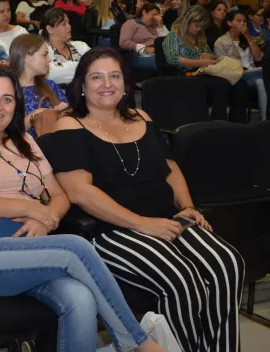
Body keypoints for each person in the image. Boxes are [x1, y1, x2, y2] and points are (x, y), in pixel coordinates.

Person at [0, 65, 163, 352]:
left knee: (80, 298)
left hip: (29, 244)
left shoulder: (25, 142)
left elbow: (59, 194)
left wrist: (47, 220)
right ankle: (137, 342)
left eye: (7, 99)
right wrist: (29, 208)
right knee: (76, 248)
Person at [46, 48, 244, 352]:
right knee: (182, 279)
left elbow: (171, 169)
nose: (107, 83)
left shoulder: (142, 117)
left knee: (228, 263)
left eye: (114, 76)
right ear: (82, 86)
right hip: (112, 230)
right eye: (96, 77)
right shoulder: (69, 125)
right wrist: (143, 224)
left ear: (126, 84)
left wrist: (187, 207)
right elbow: (79, 192)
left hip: (165, 218)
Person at [163, 6, 249, 123]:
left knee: (240, 85)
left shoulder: (200, 37)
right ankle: (218, 124)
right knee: (221, 85)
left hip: (205, 72)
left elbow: (213, 56)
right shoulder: (173, 36)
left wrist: (210, 57)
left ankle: (238, 125)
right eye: (196, 25)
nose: (199, 29)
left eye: (201, 27)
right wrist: (201, 62)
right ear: (187, 22)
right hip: (186, 75)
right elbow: (173, 59)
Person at [9, 34, 68, 138]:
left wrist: (65, 111)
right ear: (27, 58)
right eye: (44, 54)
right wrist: (34, 116)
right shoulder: (9, 91)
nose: (49, 59)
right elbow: (5, 133)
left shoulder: (50, 85)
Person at [214, 10, 265, 120]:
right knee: (260, 82)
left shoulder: (247, 39)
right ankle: (264, 118)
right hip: (236, 75)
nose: (242, 23)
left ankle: (266, 117)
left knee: (263, 78)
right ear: (229, 23)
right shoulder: (221, 42)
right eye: (238, 20)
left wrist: (247, 36)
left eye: (244, 21)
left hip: (252, 73)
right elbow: (224, 65)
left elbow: (258, 57)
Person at [41, 8, 90, 86]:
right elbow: (51, 74)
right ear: (50, 29)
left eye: (68, 23)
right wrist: (85, 68)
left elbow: (96, 65)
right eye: (64, 24)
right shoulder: (42, 51)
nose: (69, 26)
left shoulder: (81, 46)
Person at [119, 3, 166, 74]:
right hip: (139, 56)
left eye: (158, 15)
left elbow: (168, 41)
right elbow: (123, 42)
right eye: (154, 15)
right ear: (144, 12)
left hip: (158, 53)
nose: (157, 18)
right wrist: (145, 49)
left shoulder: (155, 26)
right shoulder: (131, 24)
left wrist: (161, 26)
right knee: (164, 61)